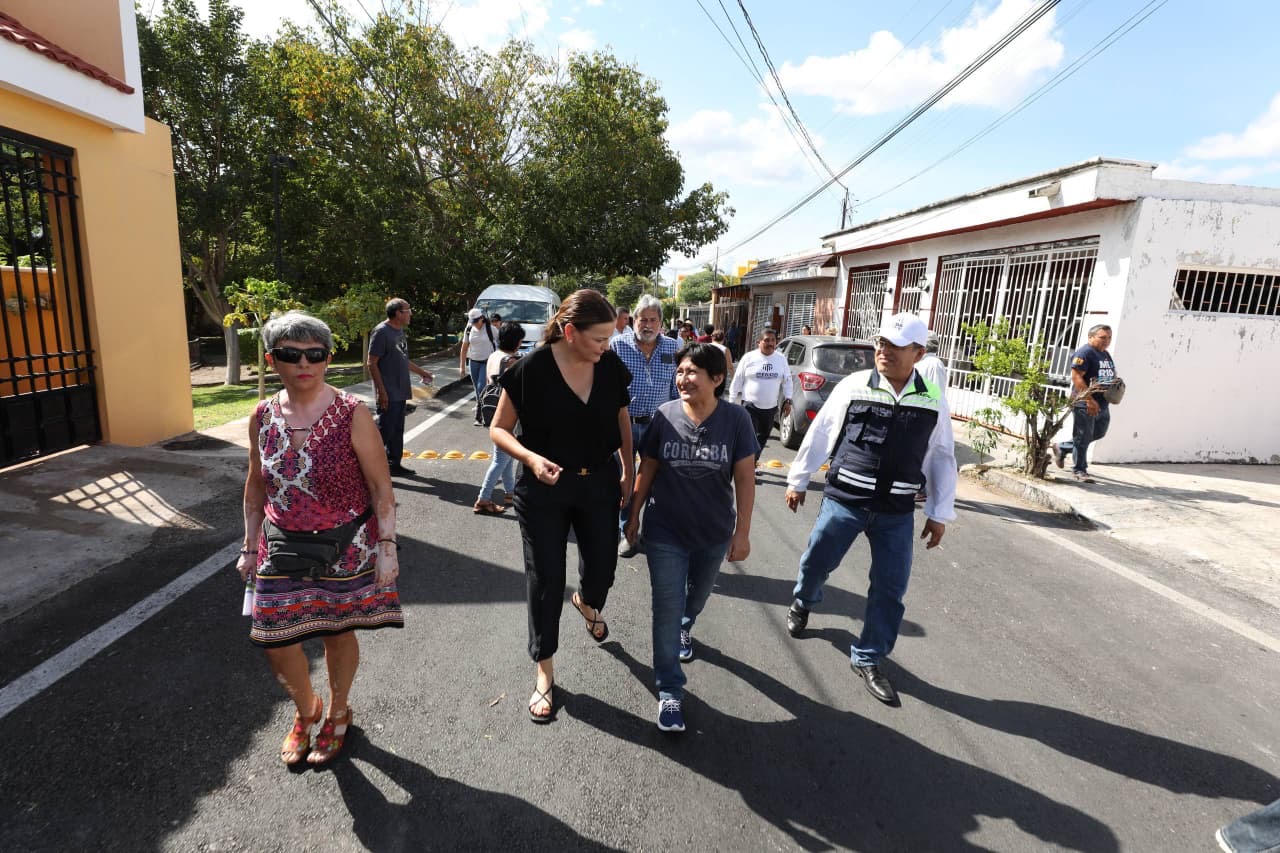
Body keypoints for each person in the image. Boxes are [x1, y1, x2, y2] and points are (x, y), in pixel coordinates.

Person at [238, 311, 403, 766]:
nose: (304, 363)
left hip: (345, 546)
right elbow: (255, 485)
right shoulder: (262, 415)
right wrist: (248, 546)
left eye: (315, 354)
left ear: (328, 359)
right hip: (280, 544)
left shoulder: (352, 413)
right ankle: (305, 707)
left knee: (336, 631)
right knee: (277, 640)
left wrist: (388, 547)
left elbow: (381, 487)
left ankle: (338, 711)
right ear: (272, 360)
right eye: (291, 354)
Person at [783, 312, 956, 707]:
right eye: (881, 342)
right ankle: (803, 600)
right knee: (816, 561)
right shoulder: (855, 385)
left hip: (896, 512)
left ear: (918, 353)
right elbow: (822, 432)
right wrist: (799, 479)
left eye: (896, 346)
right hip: (845, 500)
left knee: (890, 588)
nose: (884, 351)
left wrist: (939, 512)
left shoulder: (932, 398)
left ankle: (869, 656)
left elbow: (941, 455)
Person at [490, 289, 634, 724]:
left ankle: (587, 602)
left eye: (609, 338)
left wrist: (628, 470)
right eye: (599, 339)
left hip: (600, 482)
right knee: (546, 579)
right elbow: (499, 429)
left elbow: (622, 419)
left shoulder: (609, 365)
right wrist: (530, 458)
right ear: (570, 332)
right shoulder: (530, 369)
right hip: (543, 489)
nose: (606, 346)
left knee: (603, 567)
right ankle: (545, 670)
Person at [625, 343, 756, 732]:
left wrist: (742, 532)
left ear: (716, 379)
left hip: (713, 532)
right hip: (665, 530)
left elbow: (745, 478)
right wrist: (632, 515)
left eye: (692, 372)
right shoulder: (664, 416)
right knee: (665, 608)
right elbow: (647, 468)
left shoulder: (736, 420)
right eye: (680, 371)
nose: (683, 378)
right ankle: (669, 690)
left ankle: (687, 623)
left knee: (696, 597)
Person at [611, 294, 679, 558]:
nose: (647, 325)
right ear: (633, 320)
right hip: (625, 425)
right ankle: (626, 533)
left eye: (653, 320)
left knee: (656, 482)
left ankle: (649, 531)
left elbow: (676, 388)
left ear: (661, 322)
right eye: (643, 319)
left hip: (659, 426)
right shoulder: (618, 346)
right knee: (625, 480)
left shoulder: (672, 347)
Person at [368, 298, 434, 476]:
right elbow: (371, 363)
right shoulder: (381, 332)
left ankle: (394, 464)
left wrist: (422, 373)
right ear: (398, 313)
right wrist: (381, 392)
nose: (410, 313)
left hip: (400, 389)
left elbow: (402, 358)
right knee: (384, 431)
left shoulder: (399, 331)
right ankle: (365, 469)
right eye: (408, 310)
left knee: (397, 430)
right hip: (388, 391)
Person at [1053, 324, 1117, 484]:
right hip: (1085, 402)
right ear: (1091, 337)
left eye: (1109, 337)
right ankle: (1080, 470)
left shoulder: (1105, 354)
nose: (1107, 341)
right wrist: (1089, 400)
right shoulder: (1085, 353)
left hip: (1102, 402)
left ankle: (1063, 447)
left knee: (1099, 432)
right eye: (1103, 337)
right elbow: (1077, 377)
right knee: (1083, 436)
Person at [474, 322, 526, 515]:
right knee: (500, 459)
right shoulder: (510, 360)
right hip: (506, 414)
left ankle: (510, 493)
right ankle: (483, 499)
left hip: (491, 410)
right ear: (517, 341)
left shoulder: (494, 355)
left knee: (506, 457)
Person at [727, 328, 793, 461]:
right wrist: (731, 401)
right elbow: (738, 379)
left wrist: (788, 400)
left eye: (773, 340)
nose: (770, 343)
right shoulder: (749, 358)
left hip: (770, 407)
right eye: (767, 340)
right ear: (759, 342)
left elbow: (787, 381)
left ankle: (752, 462)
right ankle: (746, 464)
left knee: (762, 437)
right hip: (750, 406)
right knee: (749, 437)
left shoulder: (781, 359)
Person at [460, 308, 498, 426]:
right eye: (473, 322)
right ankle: (481, 408)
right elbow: (464, 348)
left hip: (486, 362)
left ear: (482, 318)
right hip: (473, 362)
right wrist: (462, 366)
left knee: (481, 387)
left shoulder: (491, 329)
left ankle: (479, 416)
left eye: (476, 321)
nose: (475, 324)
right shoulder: (469, 329)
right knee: (477, 388)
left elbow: (500, 343)